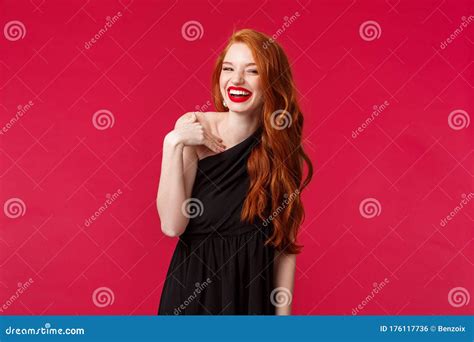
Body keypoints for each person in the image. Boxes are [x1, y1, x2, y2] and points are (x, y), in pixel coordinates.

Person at [156, 28, 313, 315]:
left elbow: (284, 245)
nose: (237, 79)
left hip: (253, 297)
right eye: (229, 68)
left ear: (271, 83)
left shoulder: (280, 144)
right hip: (193, 299)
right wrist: (173, 142)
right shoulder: (195, 127)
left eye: (252, 71)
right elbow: (171, 226)